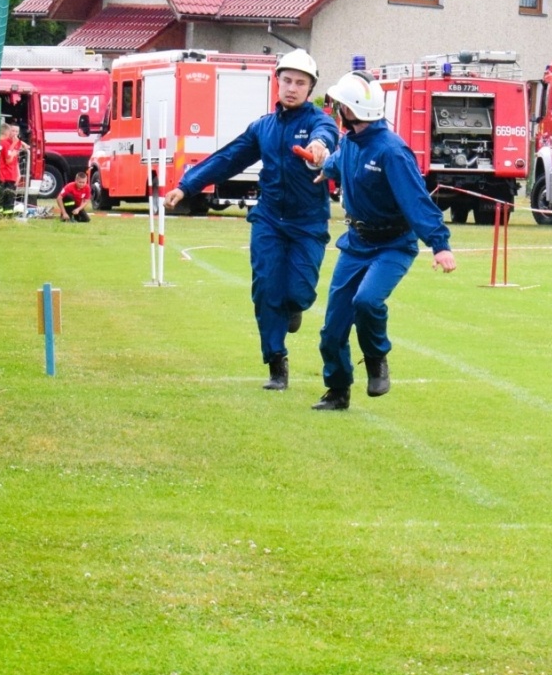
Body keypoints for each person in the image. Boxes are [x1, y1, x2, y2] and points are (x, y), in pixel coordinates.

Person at [163, 50, 337, 392]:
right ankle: (276, 362)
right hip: (269, 219)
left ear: (311, 87)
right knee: (265, 288)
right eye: (287, 80)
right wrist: (186, 186)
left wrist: (319, 146)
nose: (292, 88)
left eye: (300, 83)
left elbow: (326, 135)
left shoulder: (320, 122)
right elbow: (228, 158)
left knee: (298, 292)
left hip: (308, 224)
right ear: (278, 82)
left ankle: (294, 306)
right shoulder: (263, 128)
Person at [312, 71, 456, 411]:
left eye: (339, 104)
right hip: (356, 243)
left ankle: (376, 358)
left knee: (367, 302)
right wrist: (327, 169)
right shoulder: (350, 140)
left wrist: (440, 244)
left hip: (393, 245)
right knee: (332, 330)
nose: (335, 109)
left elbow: (416, 200)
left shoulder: (392, 151)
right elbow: (341, 159)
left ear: (352, 110)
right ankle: (337, 391)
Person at [0, 123, 23, 212]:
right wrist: (13, 153)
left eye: (17, 131)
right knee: (7, 198)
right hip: (5, 174)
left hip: (5, 174)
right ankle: (6, 216)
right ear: (8, 133)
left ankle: (1, 214)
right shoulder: (5, 143)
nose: (15, 133)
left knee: (0, 197)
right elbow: (9, 159)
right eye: (12, 131)